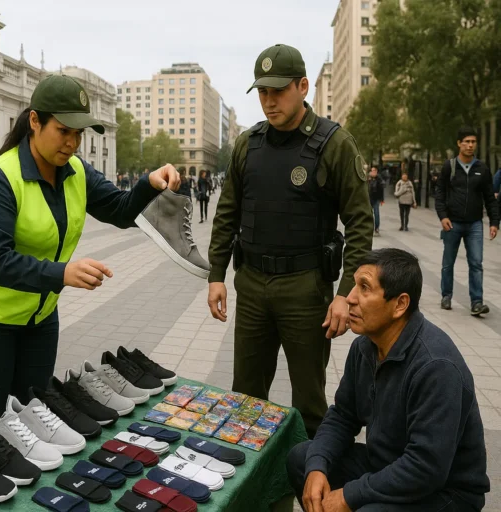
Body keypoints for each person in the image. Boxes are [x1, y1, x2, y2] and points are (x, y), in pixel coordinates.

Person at [0, 74, 181, 420]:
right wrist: (63, 273)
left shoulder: (75, 171)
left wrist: (148, 184)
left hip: (40, 319)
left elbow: (119, 210)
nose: (72, 143)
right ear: (34, 120)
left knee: (34, 414)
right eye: (64, 131)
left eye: (79, 133)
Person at [207, 44, 373, 438]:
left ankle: (310, 484)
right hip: (251, 288)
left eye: (278, 91)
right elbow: (227, 212)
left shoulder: (335, 144)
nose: (269, 101)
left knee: (310, 405)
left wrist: (345, 295)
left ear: (302, 87)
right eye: (262, 92)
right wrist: (216, 274)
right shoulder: (249, 144)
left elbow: (360, 225)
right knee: (244, 399)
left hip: (306, 290)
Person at [287, 248, 489, 512]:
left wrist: (350, 496)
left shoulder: (436, 366)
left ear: (400, 304)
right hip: (386, 464)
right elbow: (343, 416)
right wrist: (317, 465)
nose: (350, 298)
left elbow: (425, 468)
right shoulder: (364, 347)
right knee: (301, 458)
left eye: (364, 288)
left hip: (445, 492)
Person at [434, 126, 499, 315]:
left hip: (475, 224)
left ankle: (477, 302)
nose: (470, 145)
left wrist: (494, 222)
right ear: (459, 144)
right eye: (467, 142)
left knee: (476, 263)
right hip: (452, 223)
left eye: (473, 142)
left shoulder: (482, 169)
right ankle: (446, 296)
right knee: (448, 262)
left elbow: (489, 198)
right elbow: (440, 193)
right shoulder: (449, 166)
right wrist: (443, 216)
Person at [367, 166, 384, 236]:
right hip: (368, 199)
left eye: (374, 171)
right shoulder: (368, 179)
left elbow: (382, 188)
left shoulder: (379, 179)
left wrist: (382, 199)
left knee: (376, 214)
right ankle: (369, 228)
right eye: (372, 171)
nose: (373, 172)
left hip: (376, 199)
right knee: (369, 215)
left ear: (376, 172)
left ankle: (376, 228)